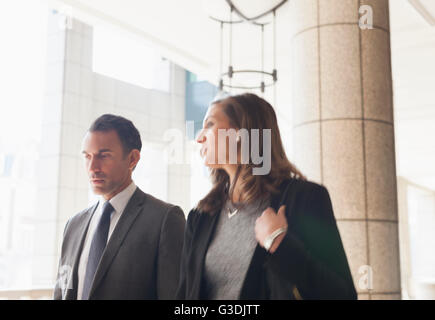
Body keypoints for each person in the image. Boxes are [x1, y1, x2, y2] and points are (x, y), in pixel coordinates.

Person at [176, 93, 357, 300]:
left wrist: (280, 244)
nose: (199, 138)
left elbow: (343, 294)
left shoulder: (305, 199)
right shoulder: (200, 216)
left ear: (240, 133)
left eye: (209, 124)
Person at [54, 114, 185, 300]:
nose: (92, 167)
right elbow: (62, 292)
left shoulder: (165, 220)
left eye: (104, 156)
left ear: (132, 159)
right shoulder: (74, 225)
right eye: (87, 156)